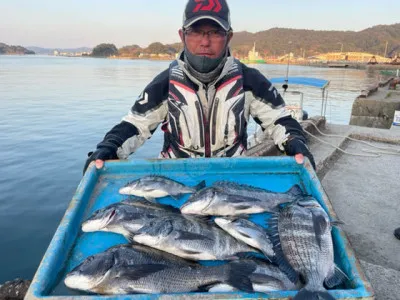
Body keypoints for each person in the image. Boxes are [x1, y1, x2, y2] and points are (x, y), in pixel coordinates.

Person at [83, 0, 316, 173]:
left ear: (229, 36)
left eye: (214, 32)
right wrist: (109, 148)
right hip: (175, 177)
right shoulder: (165, 83)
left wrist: (296, 144)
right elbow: (135, 125)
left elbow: (279, 120)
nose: (205, 41)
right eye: (195, 32)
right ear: (182, 35)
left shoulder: (250, 80)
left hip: (233, 175)